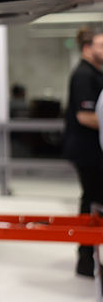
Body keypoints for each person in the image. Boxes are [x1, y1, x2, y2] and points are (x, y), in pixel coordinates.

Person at [63, 28, 103, 278]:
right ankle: (86, 260)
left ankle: (89, 258)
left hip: (92, 149)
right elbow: (85, 116)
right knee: (92, 201)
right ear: (88, 48)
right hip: (86, 151)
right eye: (102, 44)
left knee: (93, 200)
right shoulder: (83, 75)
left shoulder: (95, 73)